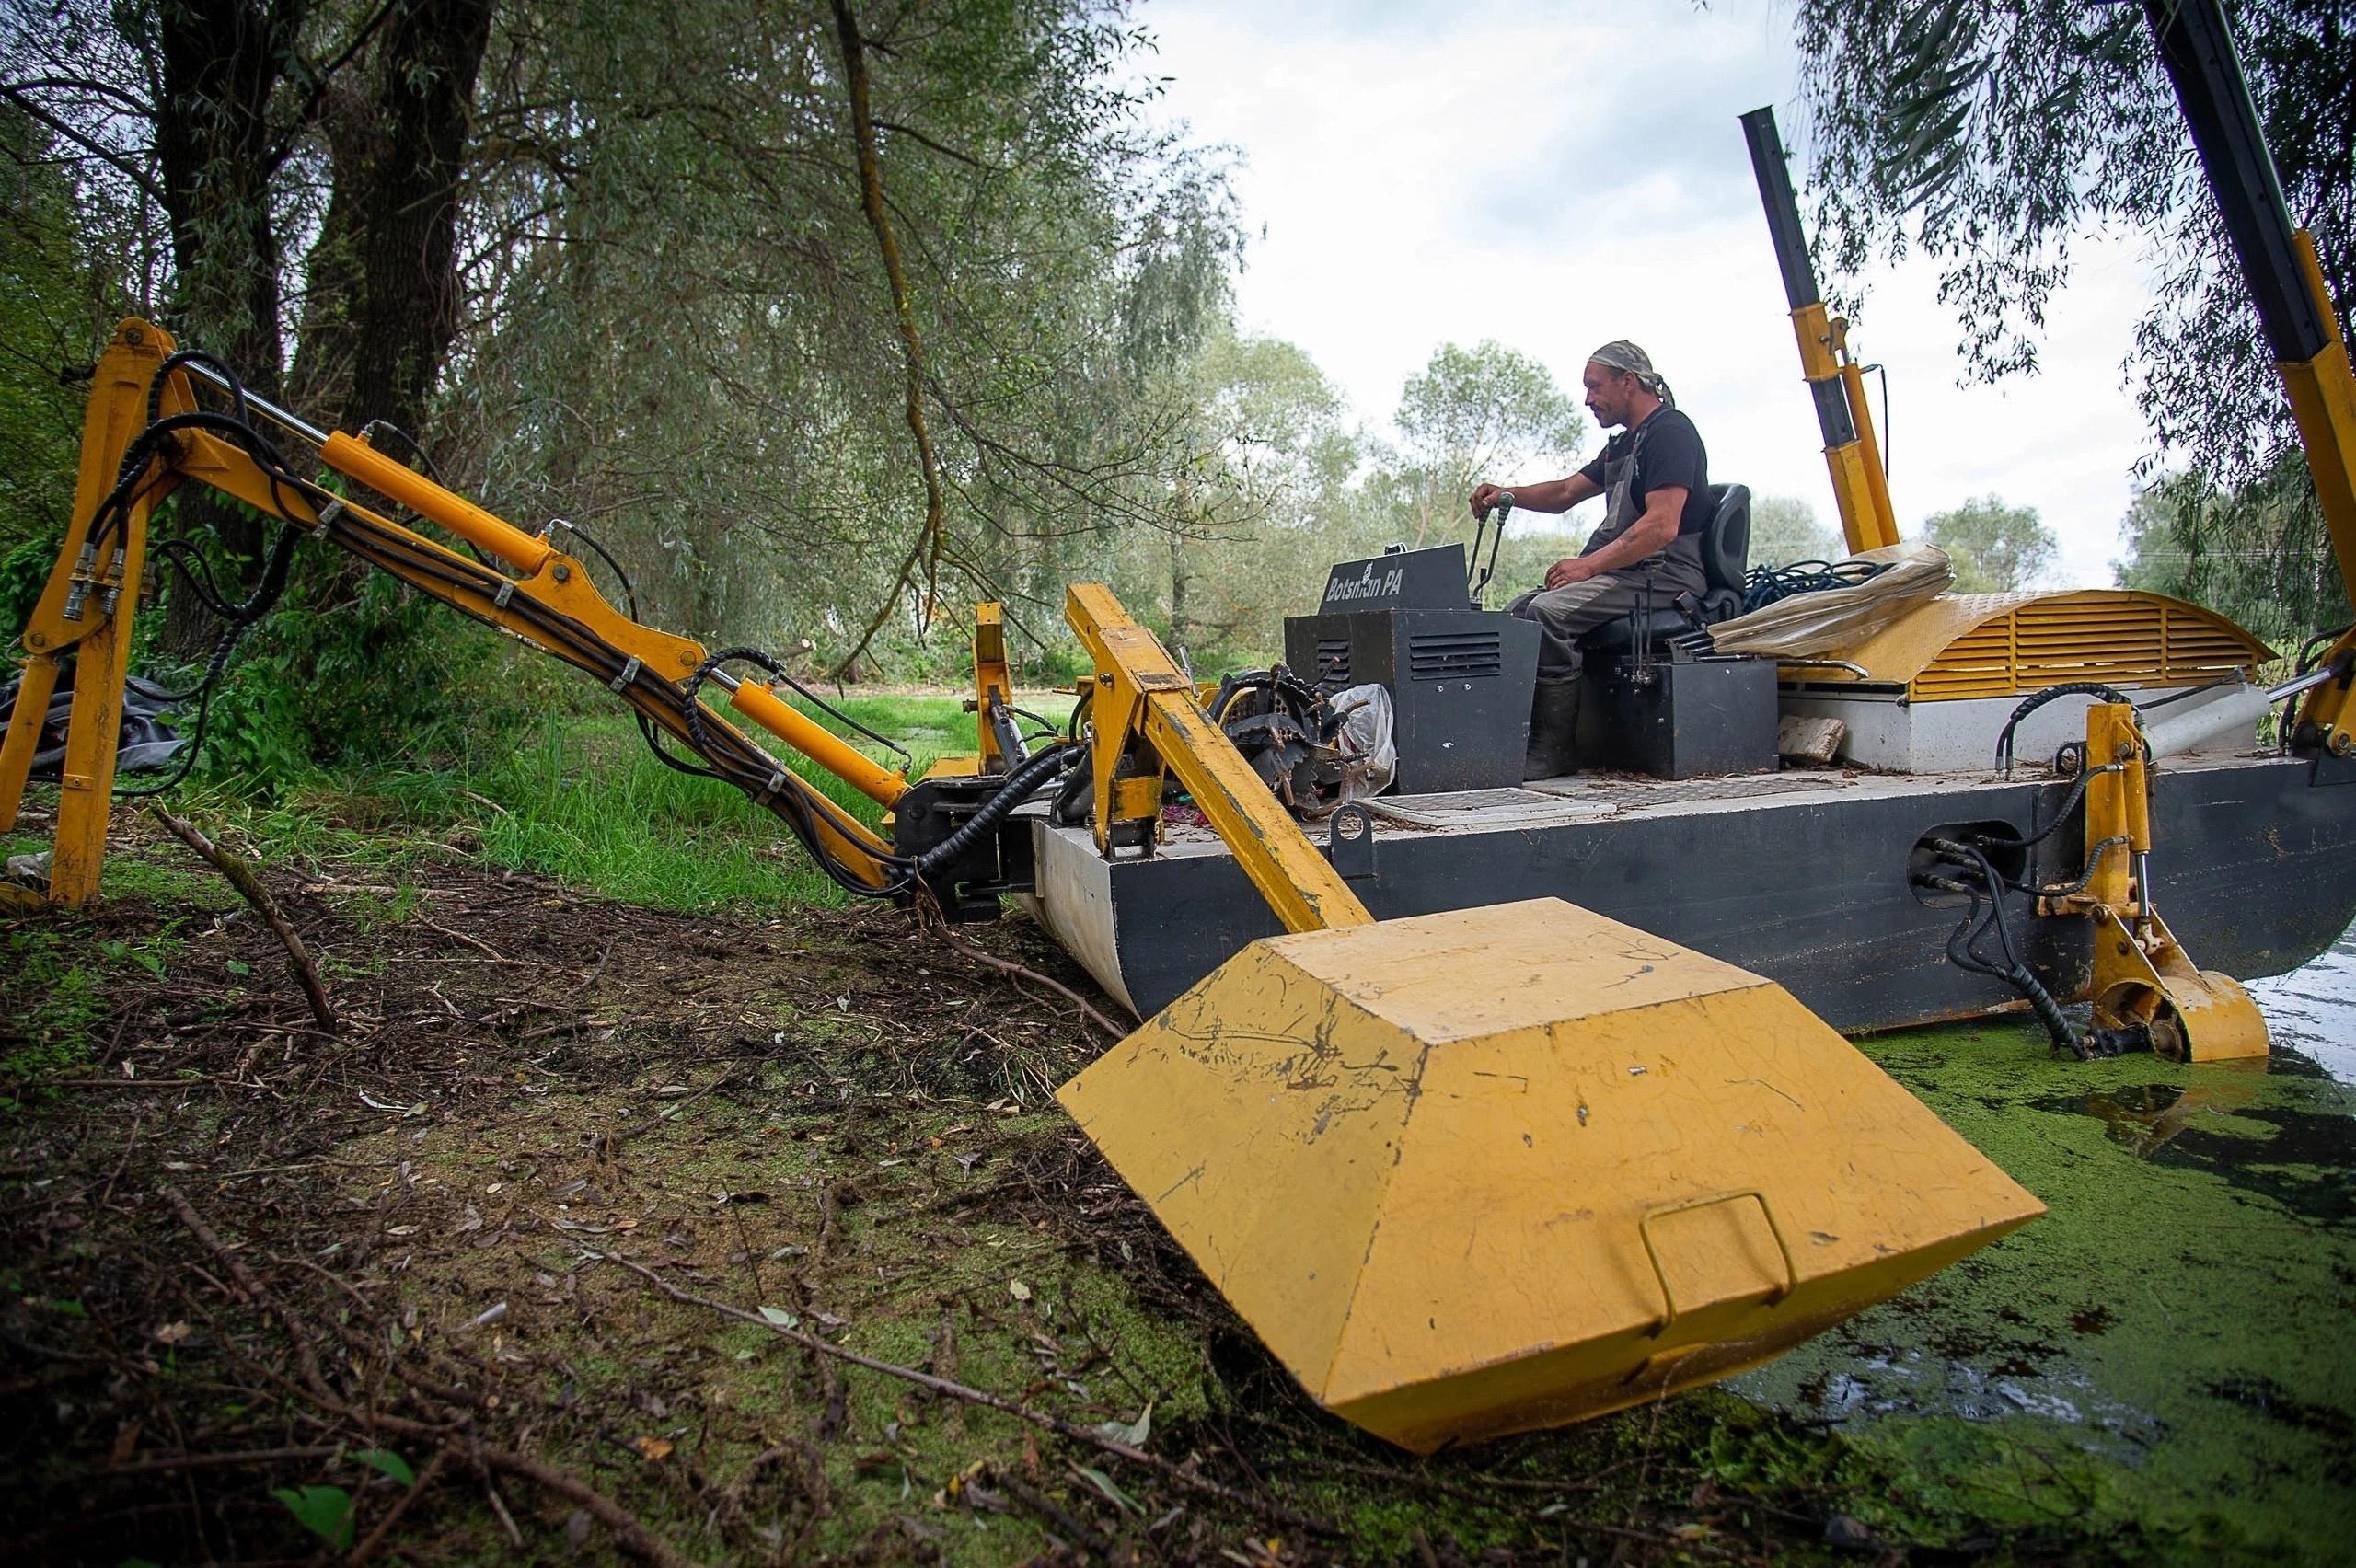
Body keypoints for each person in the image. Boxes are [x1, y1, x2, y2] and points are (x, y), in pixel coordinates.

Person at [1469, 340, 1712, 778]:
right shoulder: (1623, 446)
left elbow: (1662, 527)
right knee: (1517, 611)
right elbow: (1565, 493)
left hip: (1666, 575)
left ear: (1628, 381)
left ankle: (1557, 749)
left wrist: (1588, 566)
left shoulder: (1671, 433)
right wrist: (1507, 494)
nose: (1587, 400)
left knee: (1547, 612)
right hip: (1628, 573)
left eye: (1594, 387)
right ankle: (1514, 737)